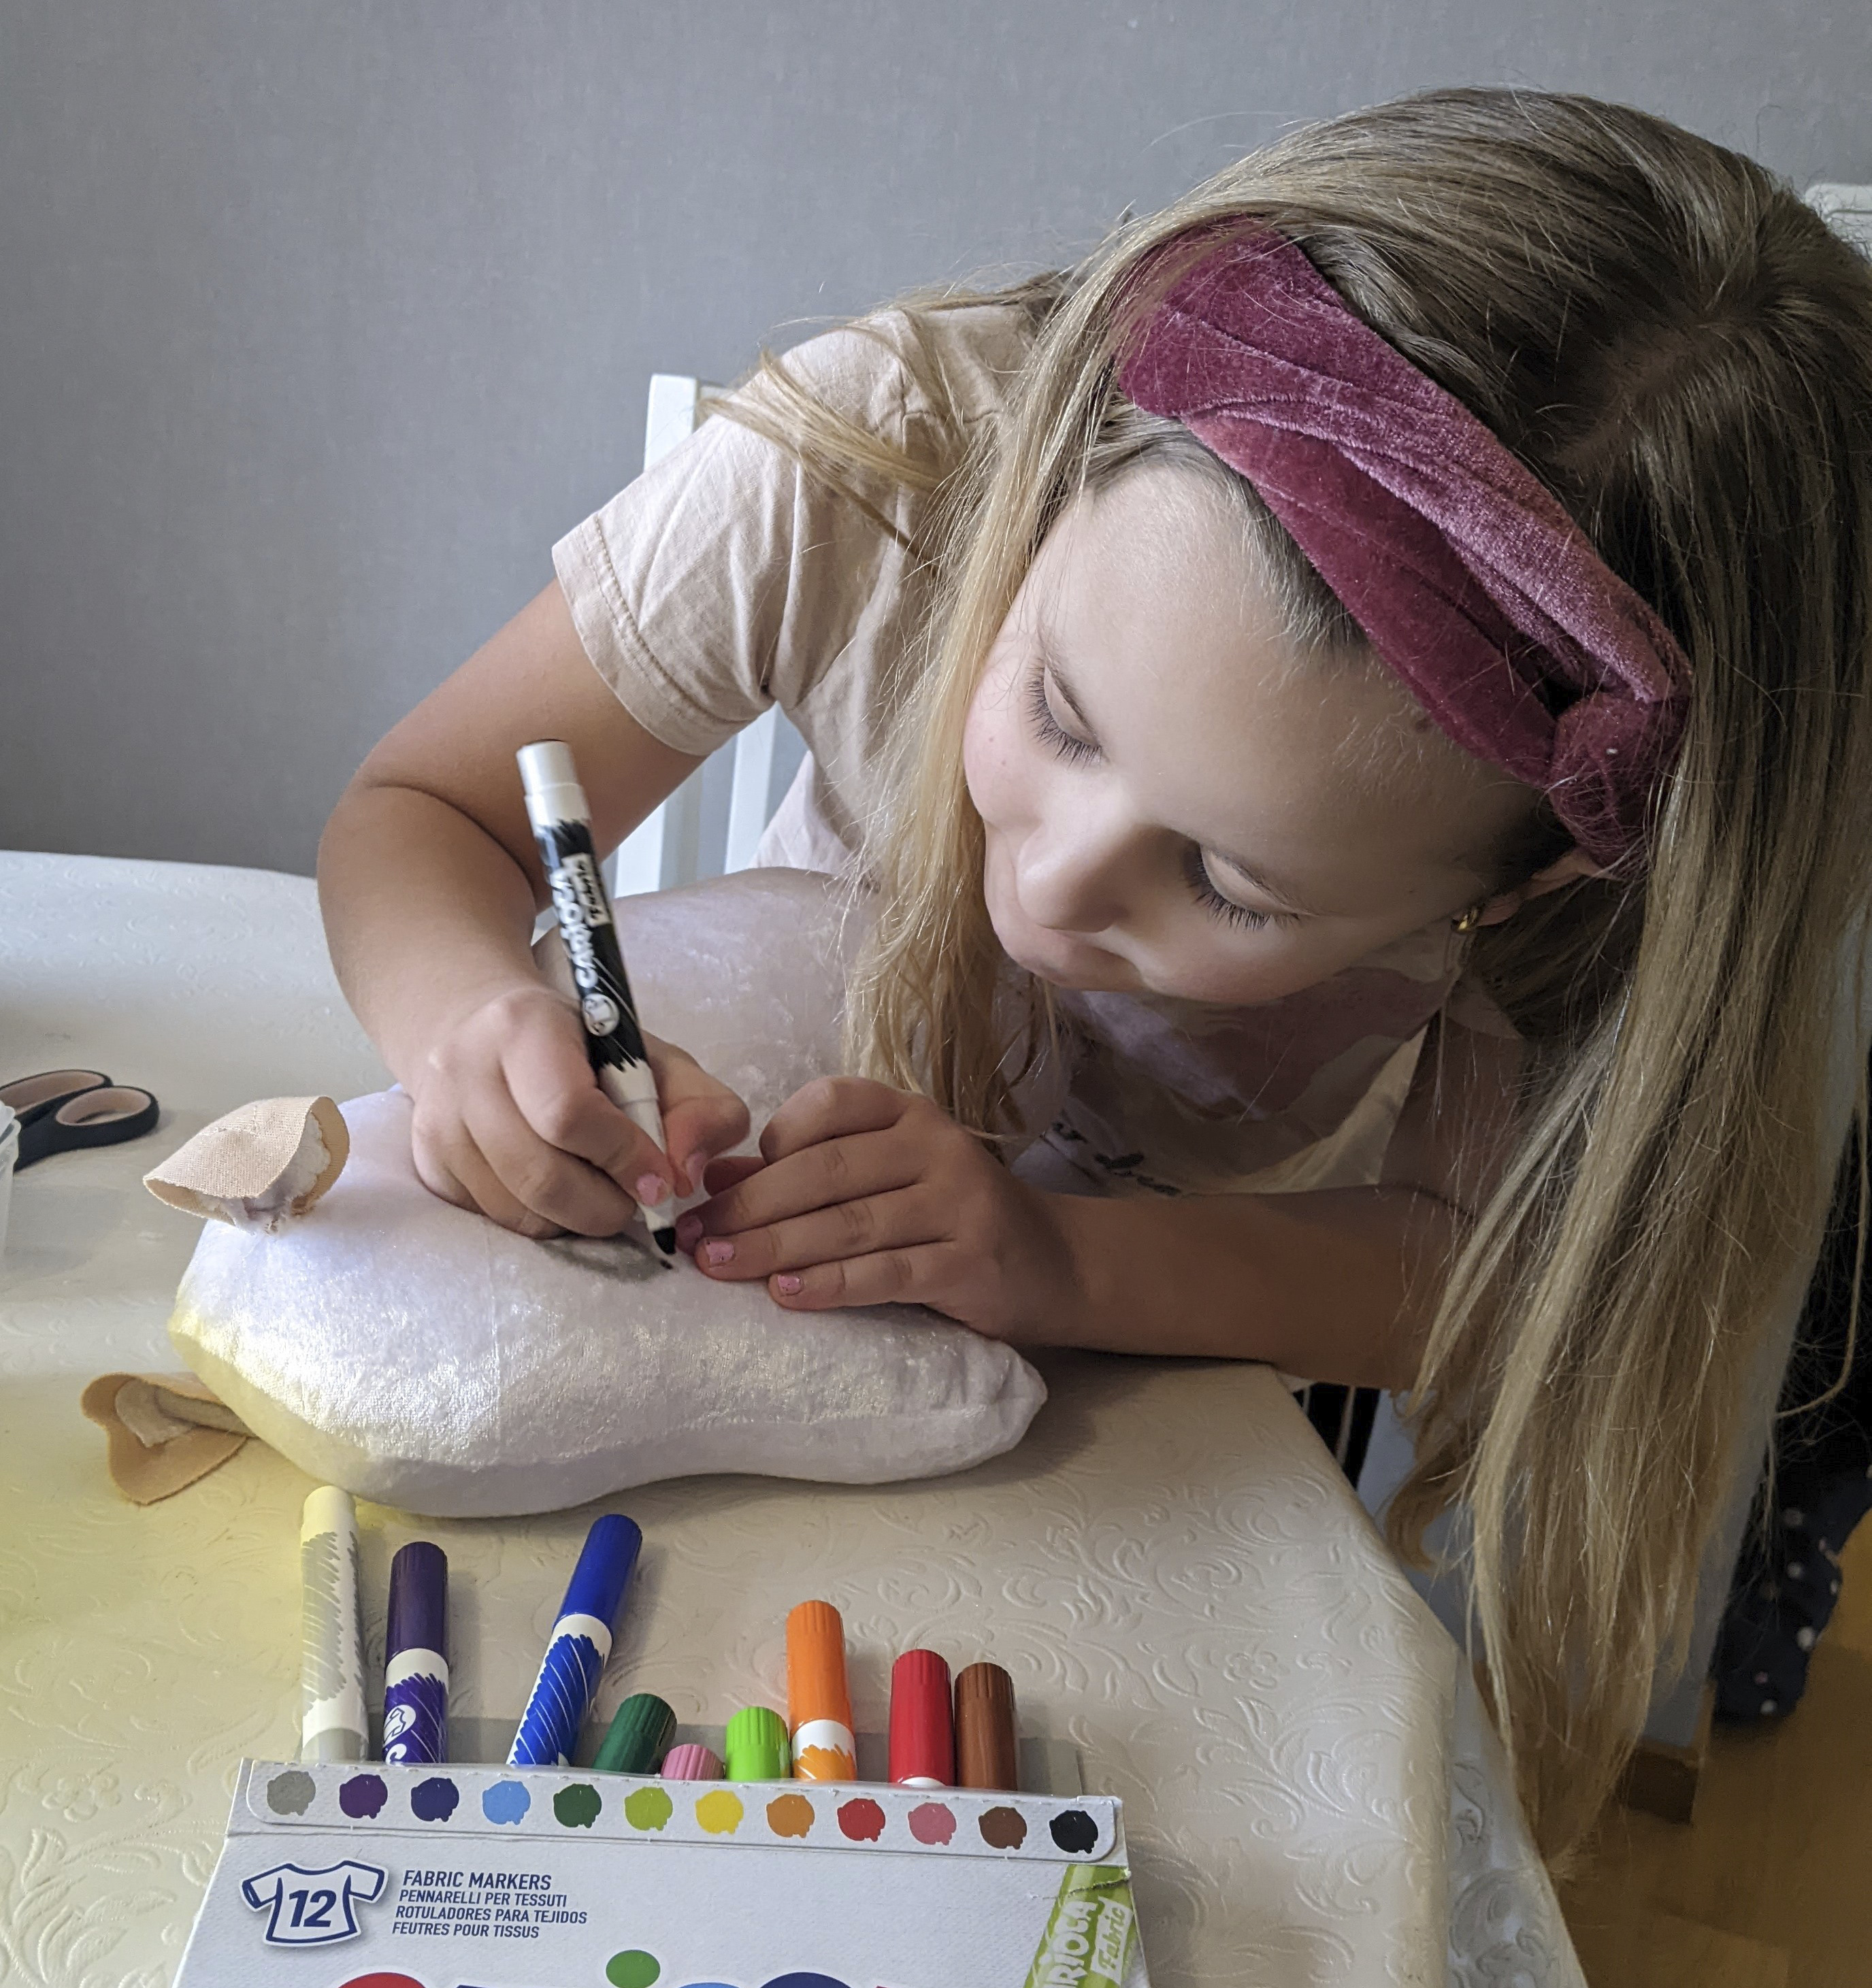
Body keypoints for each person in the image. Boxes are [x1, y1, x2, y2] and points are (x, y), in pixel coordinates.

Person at [318, 89, 1872, 1859]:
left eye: (1231, 882)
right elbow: (427, 809)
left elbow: (1496, 1271)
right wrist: (466, 1018)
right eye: (1058, 711)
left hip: (1153, 1372)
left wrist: (1057, 1260)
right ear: (1078, 453)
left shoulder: (1622, 867)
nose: (1049, 891)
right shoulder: (879, 451)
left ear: (1515, 895)